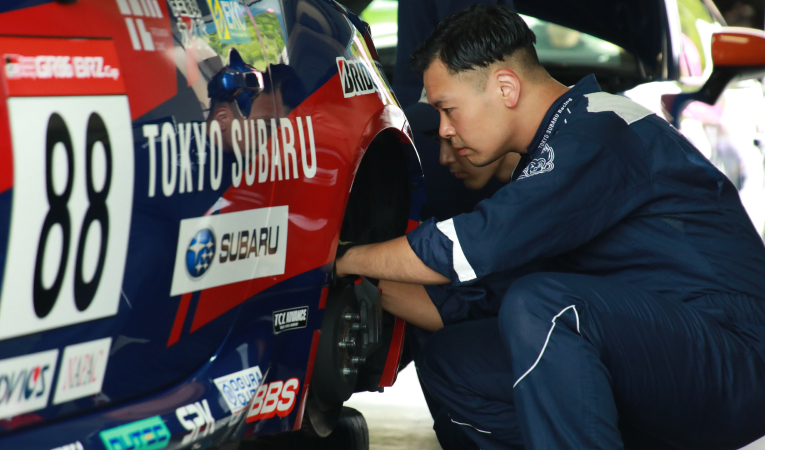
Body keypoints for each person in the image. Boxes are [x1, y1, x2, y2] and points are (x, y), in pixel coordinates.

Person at [336, 5, 764, 449]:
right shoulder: (552, 153)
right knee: (455, 360)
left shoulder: (599, 129)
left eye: (449, 109)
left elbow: (469, 245)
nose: (444, 130)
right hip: (664, 356)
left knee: (544, 305)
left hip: (736, 359)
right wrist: (346, 282)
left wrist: (339, 257)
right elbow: (472, 301)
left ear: (505, 87)